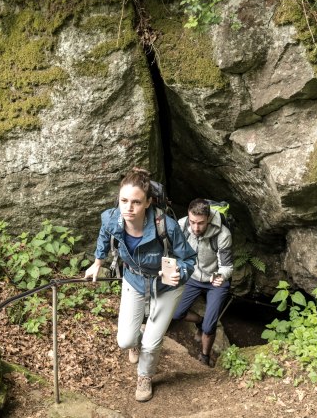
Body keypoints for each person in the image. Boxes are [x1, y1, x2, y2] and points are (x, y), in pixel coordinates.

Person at [84, 167, 196, 402]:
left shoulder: (166, 226)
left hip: (166, 284)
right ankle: (136, 341)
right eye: (124, 200)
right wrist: (97, 262)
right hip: (134, 279)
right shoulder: (112, 218)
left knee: (152, 343)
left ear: (147, 203)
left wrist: (180, 273)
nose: (128, 208)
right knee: (125, 340)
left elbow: (189, 259)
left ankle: (144, 376)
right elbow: (105, 234)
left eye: (136, 202)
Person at [172, 198, 233, 366]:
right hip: (193, 276)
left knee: (209, 326)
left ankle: (205, 356)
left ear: (209, 219)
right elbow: (173, 250)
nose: (195, 228)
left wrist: (221, 275)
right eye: (192, 222)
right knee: (176, 313)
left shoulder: (222, 234)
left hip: (215, 281)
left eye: (200, 223)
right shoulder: (182, 225)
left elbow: (227, 266)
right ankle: (199, 321)